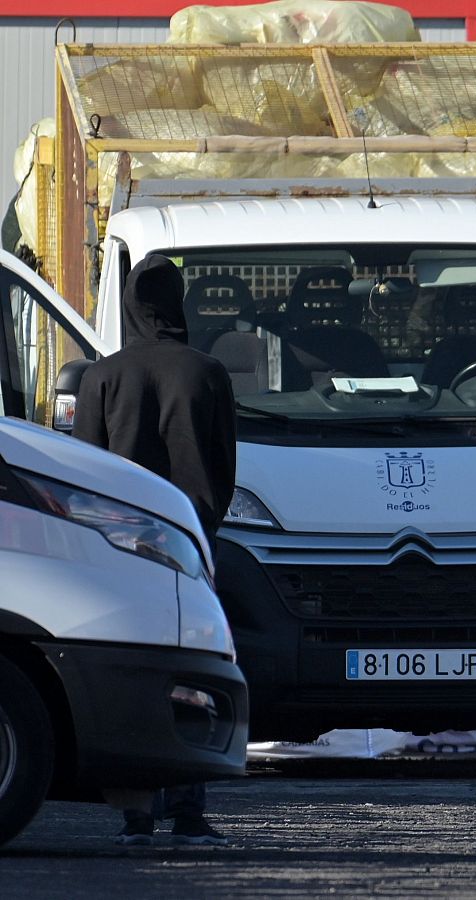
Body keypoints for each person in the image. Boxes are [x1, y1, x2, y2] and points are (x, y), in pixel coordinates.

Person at [74, 254, 237, 845]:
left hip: (120, 547)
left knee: (130, 674)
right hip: (189, 546)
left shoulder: (102, 377)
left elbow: (84, 472)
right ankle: (190, 812)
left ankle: (136, 815)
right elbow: (223, 469)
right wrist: (202, 525)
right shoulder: (207, 372)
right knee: (193, 675)